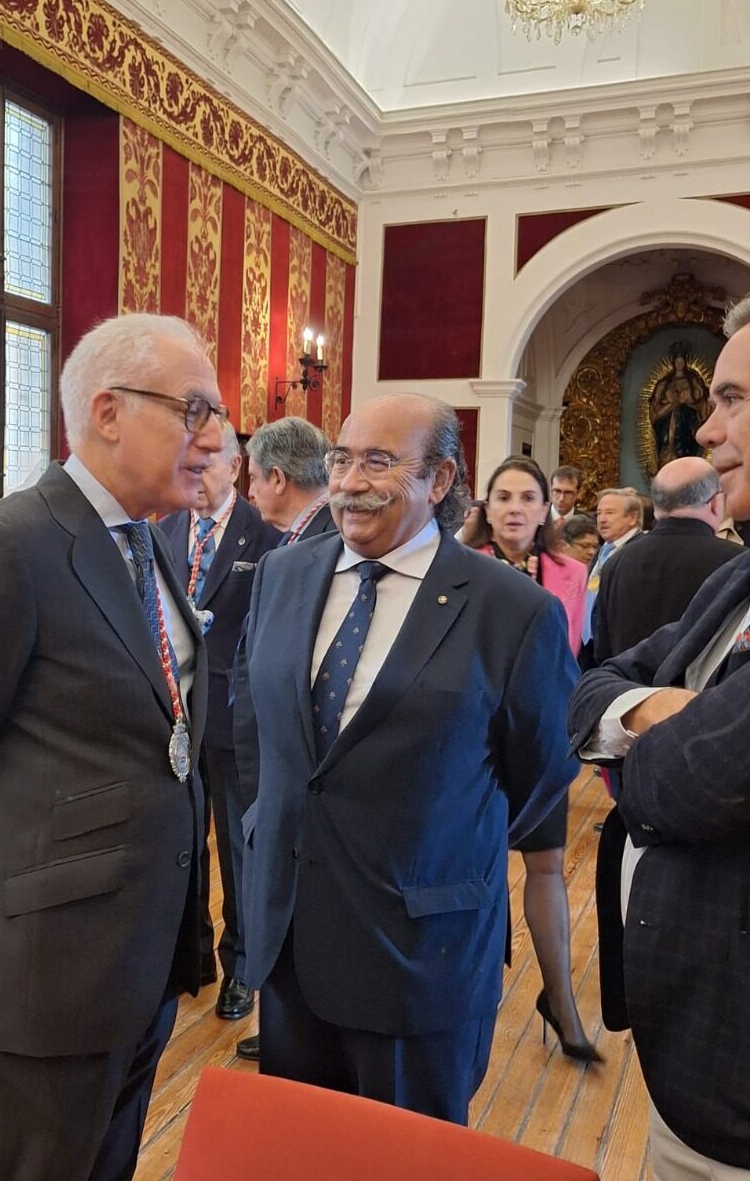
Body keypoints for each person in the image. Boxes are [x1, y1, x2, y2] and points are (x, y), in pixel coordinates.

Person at [0, 313, 223, 1181]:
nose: (215, 438)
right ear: (108, 412)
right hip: (41, 972)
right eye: (193, 409)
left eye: (216, 414)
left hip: (135, 961)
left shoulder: (145, 541)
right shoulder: (10, 543)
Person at [236, 394, 578, 1124]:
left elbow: (541, 775)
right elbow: (260, 728)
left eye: (379, 462)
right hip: (288, 939)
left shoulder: (512, 611)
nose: (350, 482)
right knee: (296, 1153)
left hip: (421, 956)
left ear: (440, 478)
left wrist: (433, 838)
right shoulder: (282, 574)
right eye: (341, 460)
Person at [569, 289, 750, 1179]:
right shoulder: (741, 575)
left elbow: (678, 789)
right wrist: (656, 711)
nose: (705, 430)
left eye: (732, 399)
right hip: (692, 1050)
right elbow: (590, 688)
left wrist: (646, 746)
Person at [462, 456, 600, 1063]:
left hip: (542, 739)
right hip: (472, 742)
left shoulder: (572, 573)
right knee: (476, 867)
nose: (515, 508)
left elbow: (575, 655)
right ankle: (473, 995)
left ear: (547, 509)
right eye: (503, 496)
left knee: (546, 867)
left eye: (527, 497)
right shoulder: (460, 566)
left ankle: (562, 1003)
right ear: (486, 508)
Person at [158, 420, 279, 1021]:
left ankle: (242, 967)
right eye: (188, 462)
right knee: (183, 841)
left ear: (236, 468)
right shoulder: (164, 530)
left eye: (206, 463)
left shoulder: (268, 539)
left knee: (237, 848)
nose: (195, 474)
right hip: (175, 714)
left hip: (234, 716)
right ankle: (195, 954)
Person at [594, 458, 743, 664]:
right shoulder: (738, 563)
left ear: (657, 506)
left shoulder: (616, 562)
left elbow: (602, 649)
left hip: (626, 682)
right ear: (716, 503)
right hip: (700, 684)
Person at [245, 416, 334, 543]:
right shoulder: (300, 532)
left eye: (253, 479)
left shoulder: (337, 538)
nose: (250, 493)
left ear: (278, 480)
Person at [581, 488, 643, 665]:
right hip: (589, 645)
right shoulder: (604, 549)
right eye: (599, 513)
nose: (602, 519)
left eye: (609, 513)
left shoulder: (638, 551)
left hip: (616, 651)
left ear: (632, 518)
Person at [648, 344, 710, 470]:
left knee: (684, 440)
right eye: (677, 361)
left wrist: (686, 399)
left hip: (687, 420)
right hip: (666, 421)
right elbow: (655, 404)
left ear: (685, 363)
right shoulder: (665, 383)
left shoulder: (693, 381)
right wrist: (670, 405)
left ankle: (686, 464)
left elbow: (701, 398)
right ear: (674, 363)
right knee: (667, 441)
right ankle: (667, 463)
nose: (680, 364)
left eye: (682, 361)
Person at [550, 464, 582, 530]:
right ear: (551, 491)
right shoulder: (535, 518)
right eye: (557, 491)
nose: (561, 498)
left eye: (568, 493)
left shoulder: (589, 523)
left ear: (578, 493)